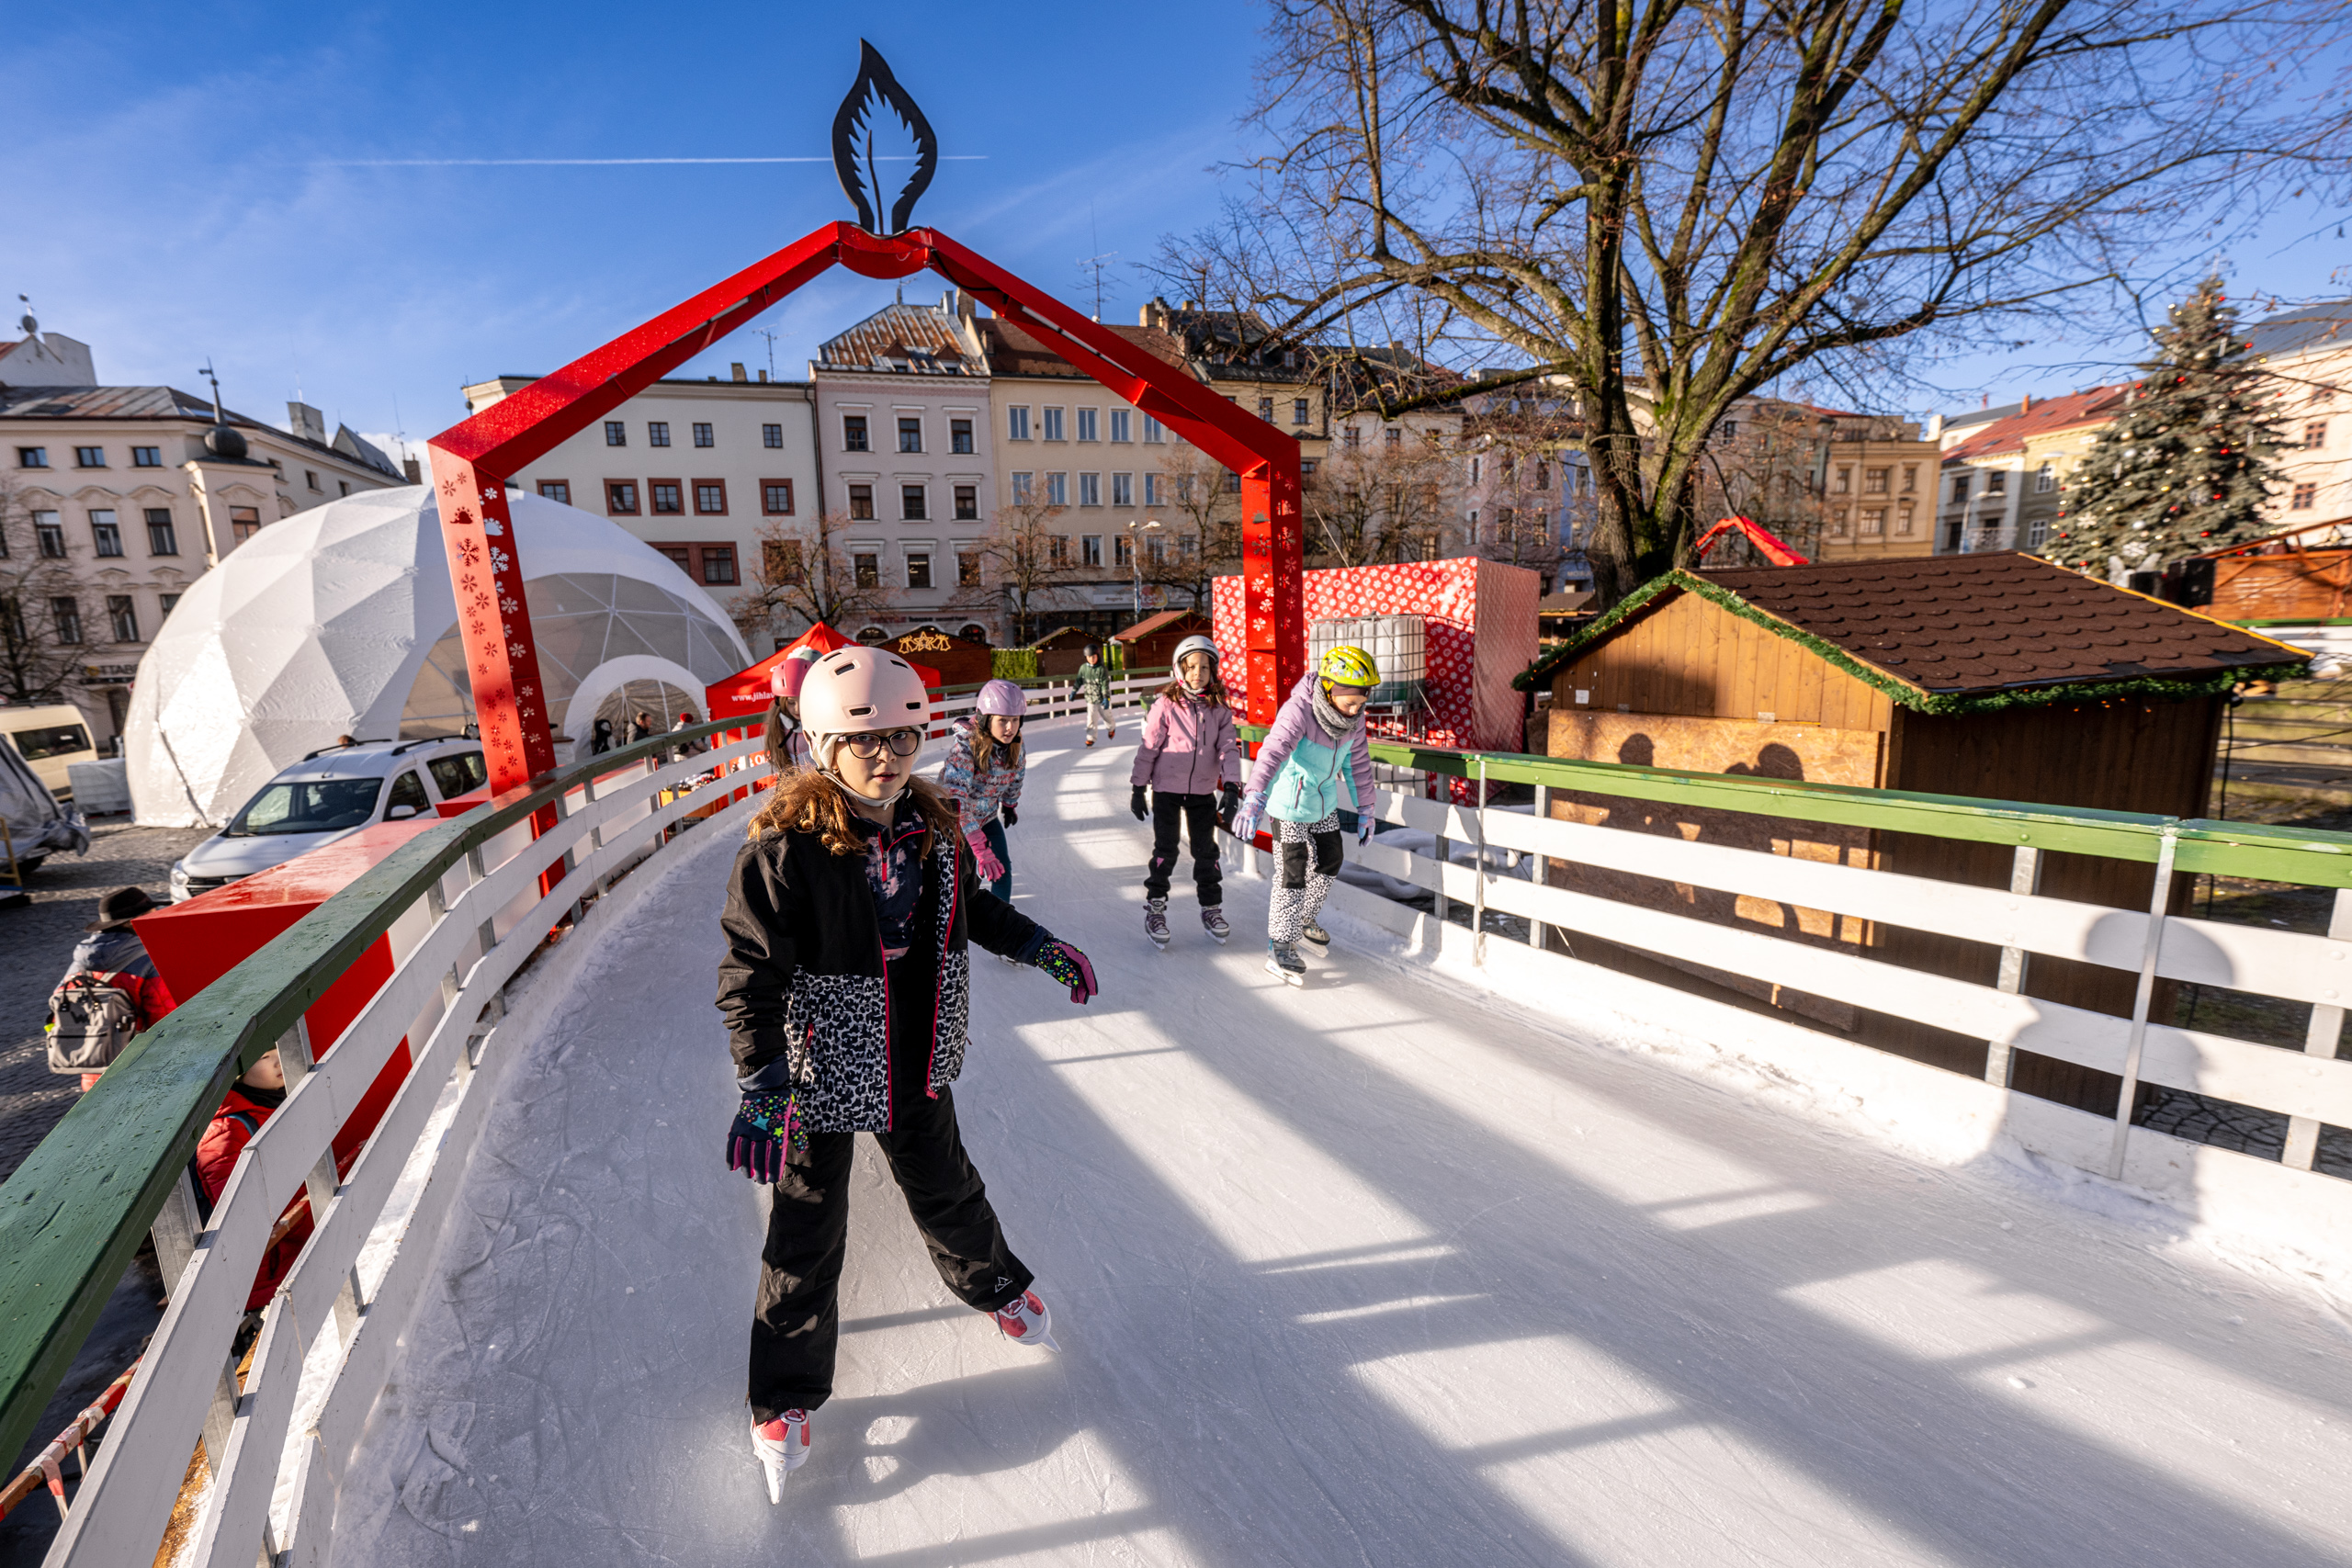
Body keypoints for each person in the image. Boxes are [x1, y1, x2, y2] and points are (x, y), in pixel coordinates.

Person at [716, 646, 1099, 1503]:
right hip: (822, 1066)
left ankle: (996, 1286)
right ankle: (784, 1394)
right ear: (823, 744)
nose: (885, 756)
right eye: (864, 740)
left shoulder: (935, 829)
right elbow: (749, 971)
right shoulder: (785, 848)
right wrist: (764, 1082)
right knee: (808, 1229)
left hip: (916, 1051)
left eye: (901, 737)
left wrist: (1039, 945)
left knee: (949, 1189)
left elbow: (975, 910)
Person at [1230, 645, 1380, 985]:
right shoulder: (1299, 711)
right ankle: (1280, 944)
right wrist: (1255, 795)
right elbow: (1273, 752)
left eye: (1361, 702)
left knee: (1331, 859)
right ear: (1328, 688)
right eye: (1349, 702)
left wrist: (1366, 809)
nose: (1355, 710)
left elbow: (1358, 763)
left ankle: (1302, 920)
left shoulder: (1354, 721)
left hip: (1323, 803)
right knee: (1293, 872)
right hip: (1289, 806)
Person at [1129, 636, 1241, 949]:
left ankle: (1211, 908)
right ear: (1179, 668)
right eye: (1191, 667)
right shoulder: (1166, 705)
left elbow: (1229, 749)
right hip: (1166, 789)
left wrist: (1232, 786)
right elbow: (1149, 747)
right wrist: (1138, 787)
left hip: (1202, 792)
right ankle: (1155, 908)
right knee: (1166, 850)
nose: (1198, 673)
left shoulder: (1219, 709)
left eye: (1204, 667)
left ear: (1213, 671)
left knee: (1206, 852)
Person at [47, 886, 175, 1090]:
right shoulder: (148, 960)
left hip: (94, 1070)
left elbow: (57, 1017)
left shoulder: (80, 963)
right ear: (134, 921)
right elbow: (165, 1023)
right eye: (152, 913)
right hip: (141, 1071)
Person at [940, 679, 1027, 904]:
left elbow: (1016, 777)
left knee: (1002, 870)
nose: (1010, 728)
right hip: (953, 823)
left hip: (986, 817)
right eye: (1002, 720)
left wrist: (1009, 804)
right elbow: (954, 799)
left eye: (1015, 720)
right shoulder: (965, 747)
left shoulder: (1016, 746)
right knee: (959, 880)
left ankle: (1001, 917)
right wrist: (978, 845)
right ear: (985, 720)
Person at [1076, 644, 1114, 747]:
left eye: (1093, 657)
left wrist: (1106, 697)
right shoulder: (1084, 668)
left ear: (1097, 656)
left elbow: (1105, 684)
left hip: (1102, 698)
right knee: (1091, 719)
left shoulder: (1102, 669)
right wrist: (1074, 691)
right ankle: (1090, 738)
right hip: (1091, 699)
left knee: (1107, 716)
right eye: (1089, 657)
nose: (1091, 659)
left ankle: (1111, 728)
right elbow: (1079, 680)